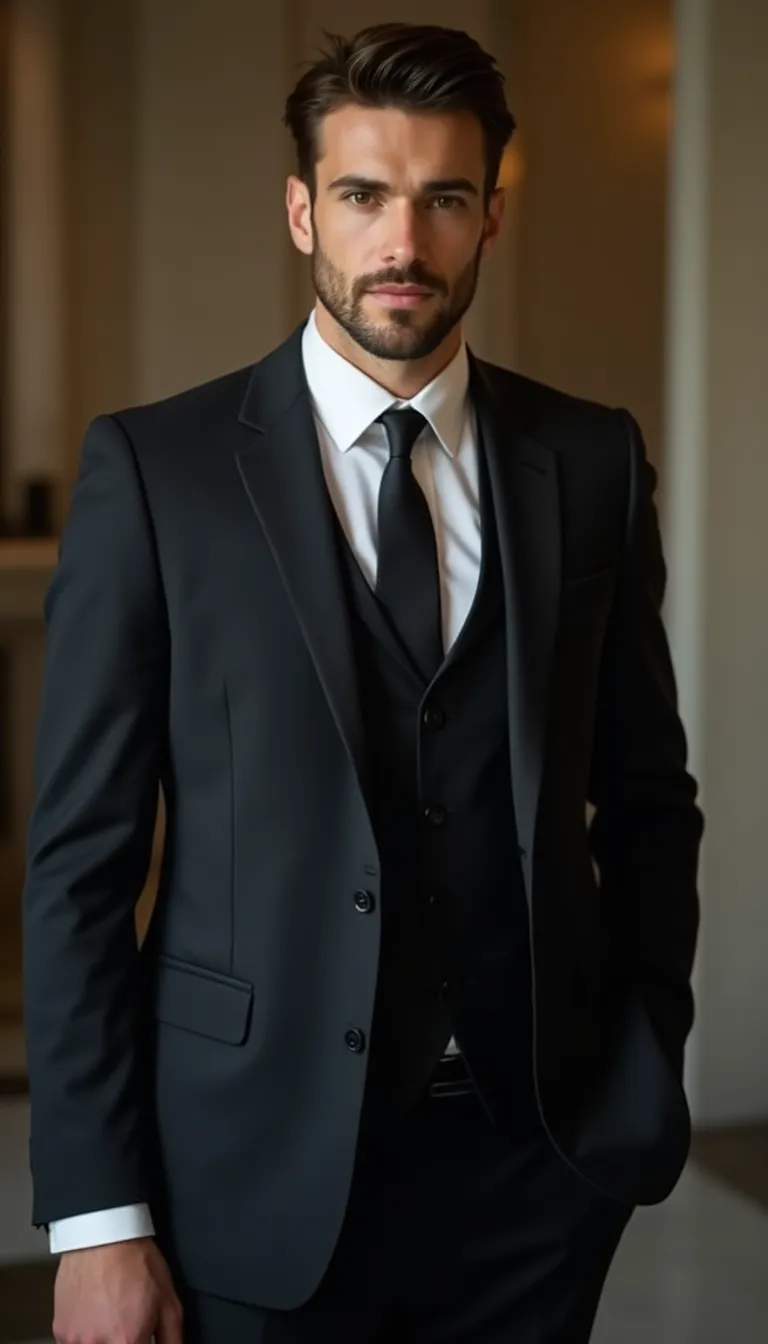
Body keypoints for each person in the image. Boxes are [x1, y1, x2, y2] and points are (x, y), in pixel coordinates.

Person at [23, 21, 703, 1344]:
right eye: (363, 196)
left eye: (443, 198)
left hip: (534, 1173)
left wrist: (641, 1065)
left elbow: (647, 798)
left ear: (491, 216)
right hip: (245, 1169)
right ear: (302, 212)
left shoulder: (593, 461)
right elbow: (79, 867)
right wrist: (100, 1220)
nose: (405, 240)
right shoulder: (156, 476)